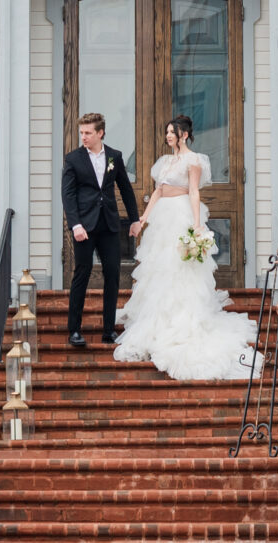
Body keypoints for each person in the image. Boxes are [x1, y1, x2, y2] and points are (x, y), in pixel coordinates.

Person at [113, 114, 259, 381]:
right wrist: (143, 218)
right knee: (159, 268)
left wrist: (196, 224)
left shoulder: (195, 160)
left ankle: (182, 323)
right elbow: (158, 191)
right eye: (167, 131)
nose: (168, 135)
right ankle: (157, 320)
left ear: (184, 134)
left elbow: (193, 192)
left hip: (180, 216)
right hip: (161, 218)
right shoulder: (165, 162)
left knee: (180, 268)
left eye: (172, 132)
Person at [60, 111, 139, 347]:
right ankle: (74, 330)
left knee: (113, 275)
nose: (83, 137)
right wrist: (75, 224)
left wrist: (134, 219)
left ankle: (108, 331)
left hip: (109, 225)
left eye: (88, 133)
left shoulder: (115, 156)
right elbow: (68, 195)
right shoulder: (73, 159)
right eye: (81, 132)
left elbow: (125, 189)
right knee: (82, 274)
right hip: (84, 226)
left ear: (100, 133)